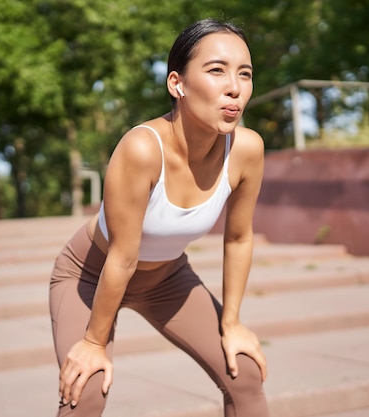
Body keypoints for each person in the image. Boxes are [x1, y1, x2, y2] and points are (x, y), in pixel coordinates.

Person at [49, 18, 269, 417]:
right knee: (88, 389)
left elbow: (238, 238)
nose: (235, 87)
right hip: (91, 273)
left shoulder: (247, 150)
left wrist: (232, 322)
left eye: (245, 74)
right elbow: (122, 256)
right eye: (217, 70)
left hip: (167, 278)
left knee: (245, 374)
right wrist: (94, 345)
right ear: (177, 84)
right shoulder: (141, 149)